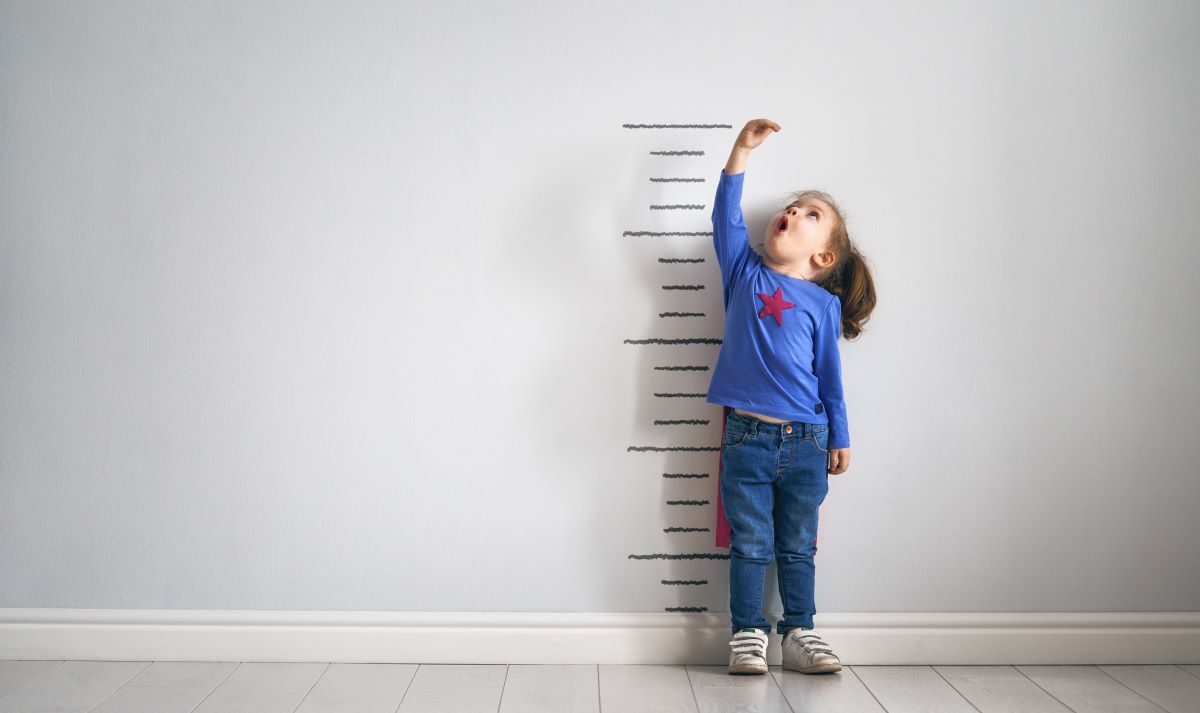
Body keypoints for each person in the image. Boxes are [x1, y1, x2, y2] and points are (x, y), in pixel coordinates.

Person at [708, 119, 877, 675]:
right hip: (747, 438)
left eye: (812, 215)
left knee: (798, 546)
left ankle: (800, 631)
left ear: (823, 258)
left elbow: (830, 380)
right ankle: (747, 634)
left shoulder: (822, 306)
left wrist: (842, 436)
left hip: (807, 441)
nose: (795, 213)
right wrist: (741, 151)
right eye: (794, 207)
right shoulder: (744, 274)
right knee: (751, 543)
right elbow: (726, 219)